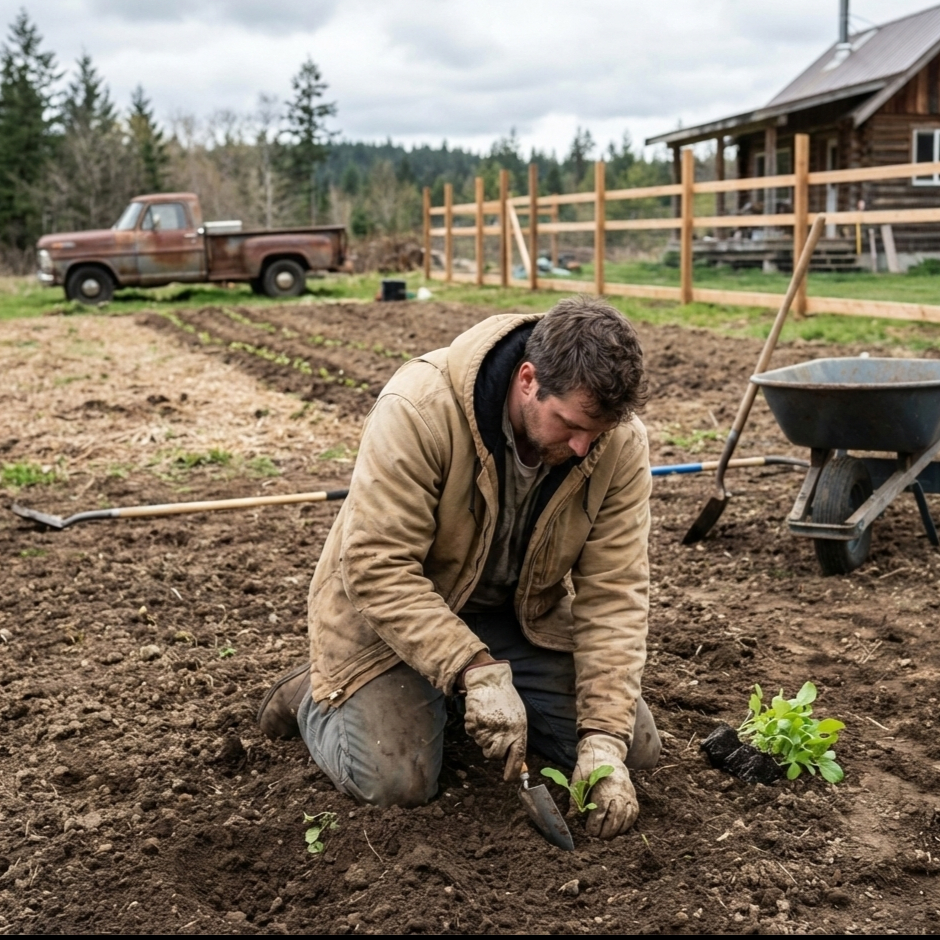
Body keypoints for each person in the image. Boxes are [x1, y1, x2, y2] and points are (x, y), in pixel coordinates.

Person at [258, 295, 661, 838]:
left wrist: (603, 740)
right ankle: (315, 693)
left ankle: (452, 694)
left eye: (599, 432)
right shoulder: (420, 408)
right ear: (527, 380)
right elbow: (378, 567)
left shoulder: (616, 444)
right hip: (394, 619)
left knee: (632, 747)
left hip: (515, 617)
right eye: (569, 424)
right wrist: (472, 668)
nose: (584, 445)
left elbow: (615, 592)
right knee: (396, 783)